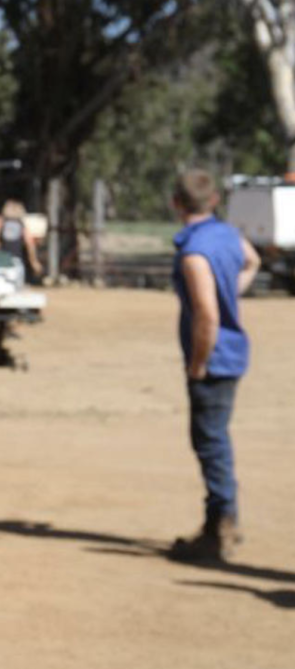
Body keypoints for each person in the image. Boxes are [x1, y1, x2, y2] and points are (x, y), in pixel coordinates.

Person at [168, 169, 260, 562]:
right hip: (233, 353)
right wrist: (230, 294)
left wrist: (198, 364)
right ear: (214, 202)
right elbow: (251, 261)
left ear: (176, 204)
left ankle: (220, 527)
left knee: (211, 443)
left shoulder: (194, 252)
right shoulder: (225, 235)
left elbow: (207, 316)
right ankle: (224, 521)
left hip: (214, 360)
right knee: (215, 439)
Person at [0, 200, 43, 280]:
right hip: (17, 260)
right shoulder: (21, 224)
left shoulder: (0, 222)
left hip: (2, 259)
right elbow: (29, 243)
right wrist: (34, 262)